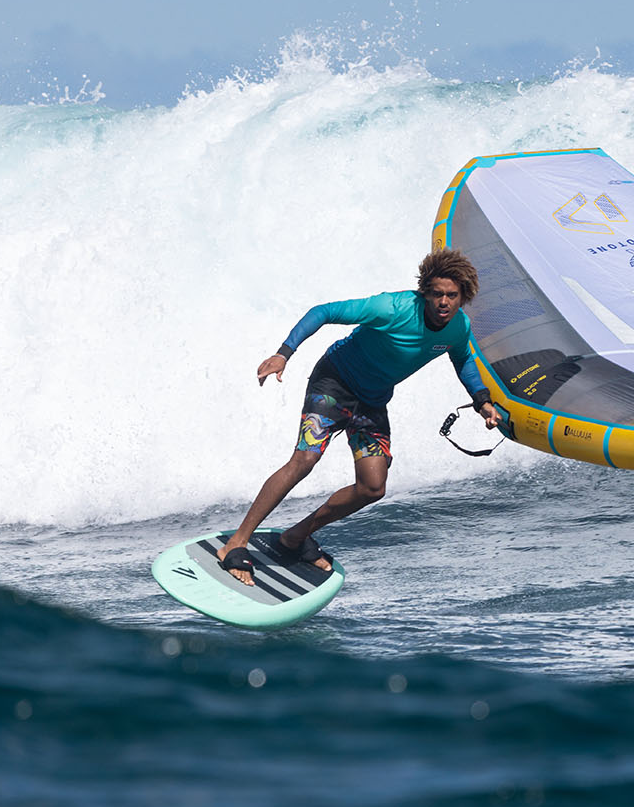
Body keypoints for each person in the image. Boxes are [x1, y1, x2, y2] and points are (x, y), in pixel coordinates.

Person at [215, 249, 503, 586]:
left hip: (372, 400)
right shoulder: (391, 308)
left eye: (451, 296)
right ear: (424, 291)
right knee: (305, 459)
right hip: (334, 383)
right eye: (436, 294)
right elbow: (324, 312)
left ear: (463, 296)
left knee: (372, 487)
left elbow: (463, 359)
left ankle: (294, 538)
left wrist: (481, 400)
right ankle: (236, 543)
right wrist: (284, 354)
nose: (443, 302)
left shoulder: (458, 327)